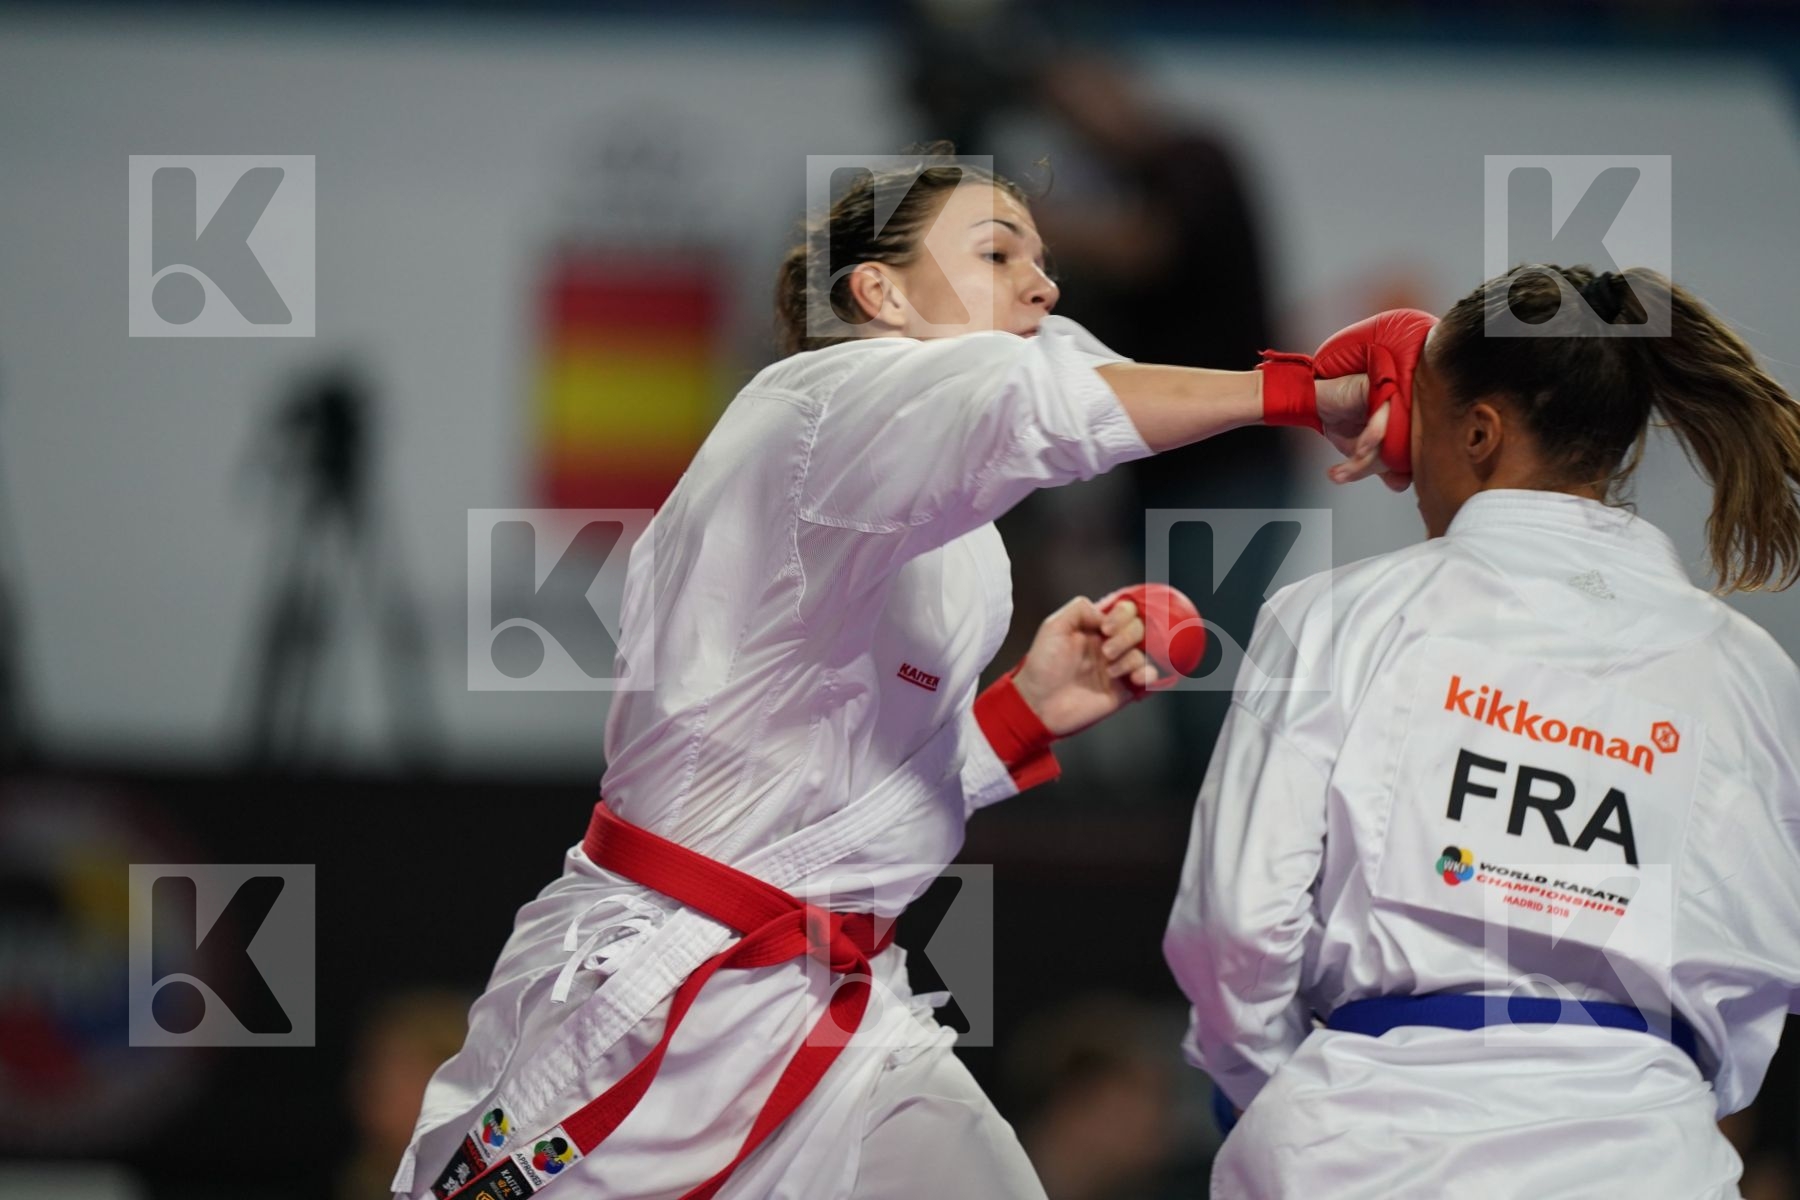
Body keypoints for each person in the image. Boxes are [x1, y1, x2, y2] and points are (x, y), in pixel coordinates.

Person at [391, 152, 1377, 1200]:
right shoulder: (813, 407)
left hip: (843, 1008)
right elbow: (1042, 395)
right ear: (880, 291)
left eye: (1044, 262)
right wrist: (1311, 391)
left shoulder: (971, 553)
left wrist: (1021, 715)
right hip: (648, 990)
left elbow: (857, 813)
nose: (1043, 285)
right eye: (999, 253)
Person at [1164, 265, 1800, 1199]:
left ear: (1480, 432)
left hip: (1360, 1149)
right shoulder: (1751, 670)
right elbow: (1762, 959)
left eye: (1417, 416)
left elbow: (1236, 922)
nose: (1401, 452)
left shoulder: (1338, 616)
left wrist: (1266, 1087)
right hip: (1646, 1158)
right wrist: (1655, 1089)